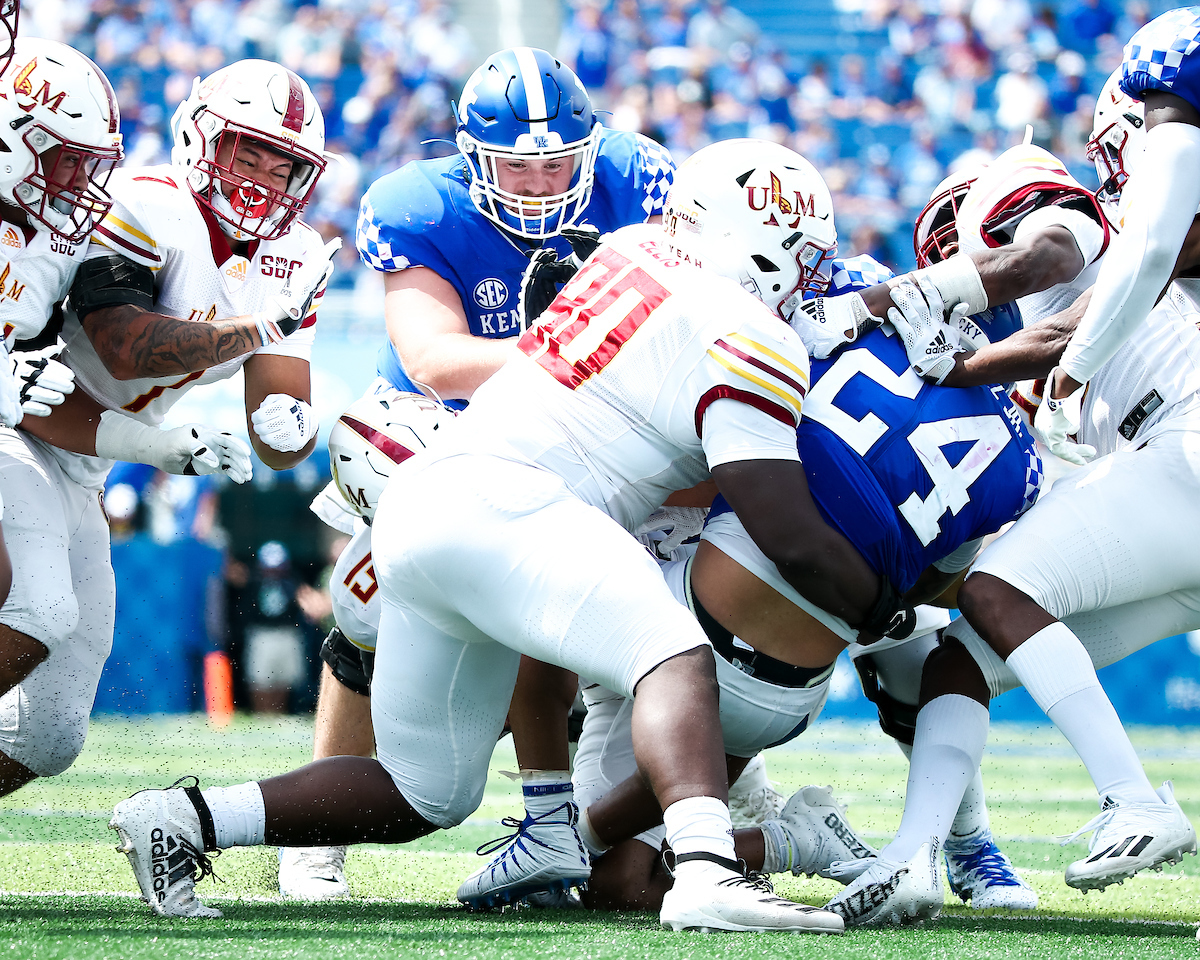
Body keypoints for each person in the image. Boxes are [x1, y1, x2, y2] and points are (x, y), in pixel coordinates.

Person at [109, 139, 923, 933]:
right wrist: (885, 608)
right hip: (514, 503)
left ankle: (180, 818)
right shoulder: (749, 331)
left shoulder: (631, 249)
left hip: (429, 501)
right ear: (765, 246)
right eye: (804, 257)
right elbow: (787, 529)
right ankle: (708, 872)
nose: (813, 280)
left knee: (424, 790)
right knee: (673, 654)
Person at [279, 45, 679, 898]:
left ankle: (651, 814)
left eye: (557, 165)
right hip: (443, 439)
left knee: (646, 619)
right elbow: (435, 359)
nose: (538, 184)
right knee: (363, 609)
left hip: (592, 436)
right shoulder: (419, 204)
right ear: (473, 158)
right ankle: (315, 840)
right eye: (517, 167)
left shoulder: (642, 179)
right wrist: (586, 353)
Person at [821, 118, 1200, 923]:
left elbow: (1058, 286)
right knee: (969, 653)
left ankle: (1134, 798)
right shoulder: (1014, 373)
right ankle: (915, 854)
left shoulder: (1024, 197)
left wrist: (931, 326)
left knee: (996, 591)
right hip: (1168, 481)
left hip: (1186, 445)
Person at [0, 56, 331, 802]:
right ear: (201, 138)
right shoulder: (146, 199)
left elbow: (280, 430)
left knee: (47, 733)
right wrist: (254, 330)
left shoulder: (296, 257)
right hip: (24, 422)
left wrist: (290, 427)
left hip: (89, 462)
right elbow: (123, 342)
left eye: (284, 167)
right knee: (36, 611)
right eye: (247, 151)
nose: (262, 179)